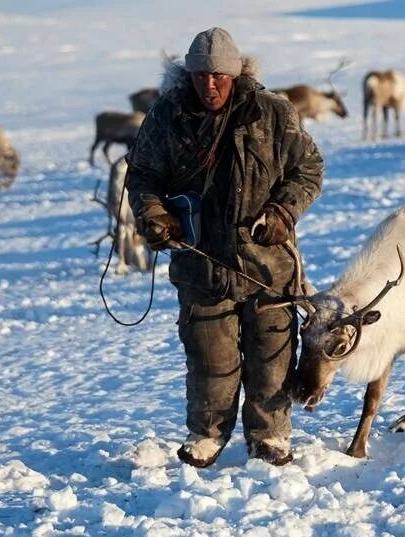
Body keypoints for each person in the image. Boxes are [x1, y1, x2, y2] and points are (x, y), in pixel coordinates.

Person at [126, 27, 324, 467]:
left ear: (235, 73)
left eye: (218, 75)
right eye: (199, 75)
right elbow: (141, 175)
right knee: (209, 355)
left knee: (271, 355)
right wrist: (154, 216)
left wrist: (282, 213)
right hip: (201, 263)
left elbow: (309, 168)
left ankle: (270, 435)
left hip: (267, 263)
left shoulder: (272, 112)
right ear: (187, 75)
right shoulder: (167, 115)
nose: (209, 84)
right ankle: (207, 434)